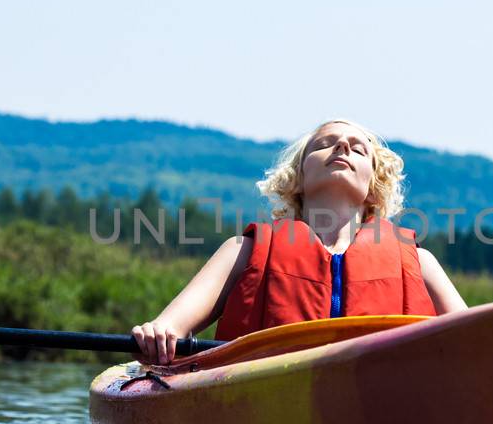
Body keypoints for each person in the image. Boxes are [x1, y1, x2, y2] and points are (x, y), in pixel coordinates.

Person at [131, 118, 468, 364]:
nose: (342, 147)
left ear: (374, 185)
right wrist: (158, 333)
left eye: (358, 149)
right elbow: (169, 327)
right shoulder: (245, 249)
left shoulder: (419, 261)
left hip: (386, 397)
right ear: (299, 178)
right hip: (263, 396)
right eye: (325, 144)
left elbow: (480, 340)